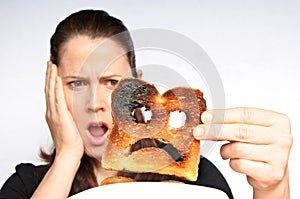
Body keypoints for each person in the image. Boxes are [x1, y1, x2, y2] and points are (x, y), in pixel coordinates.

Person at [0, 9, 292, 199]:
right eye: (76, 83)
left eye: (112, 82)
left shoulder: (194, 179)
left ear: (137, 89)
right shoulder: (27, 184)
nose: (93, 103)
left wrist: (273, 190)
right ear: (51, 88)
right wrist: (67, 156)